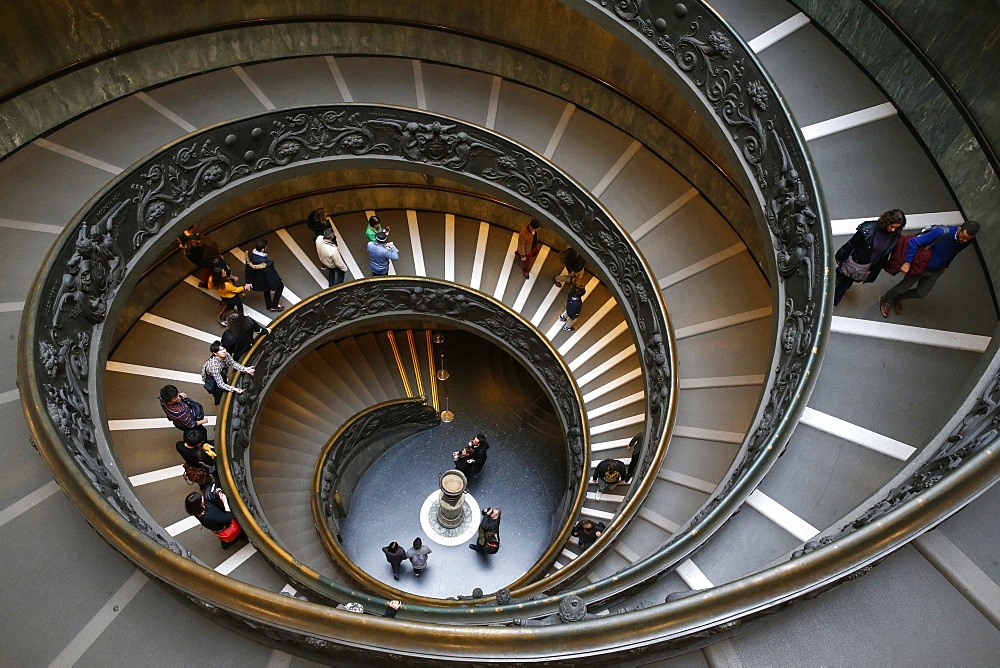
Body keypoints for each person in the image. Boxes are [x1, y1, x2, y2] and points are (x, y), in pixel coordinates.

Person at [880, 220, 980, 317]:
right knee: (903, 287)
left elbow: (954, 252)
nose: (964, 241)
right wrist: (907, 263)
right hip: (920, 266)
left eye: (967, 239)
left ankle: (898, 298)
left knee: (922, 293)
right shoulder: (941, 232)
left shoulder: (968, 240)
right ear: (960, 229)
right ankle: (886, 299)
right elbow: (914, 243)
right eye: (963, 237)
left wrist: (946, 265)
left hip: (937, 270)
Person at [833, 209, 905, 306]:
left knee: (848, 278)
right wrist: (841, 255)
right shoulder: (867, 229)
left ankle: (839, 272)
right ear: (887, 221)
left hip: (870, 264)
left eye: (896, 228)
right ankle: (835, 301)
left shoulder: (895, 234)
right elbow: (852, 243)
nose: (893, 230)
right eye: (892, 226)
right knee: (846, 283)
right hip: (858, 262)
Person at [202, 341, 255, 405]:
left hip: (221, 372)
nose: (224, 351)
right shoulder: (213, 366)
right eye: (220, 350)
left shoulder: (226, 354)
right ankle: (219, 402)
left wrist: (245, 369)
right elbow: (220, 384)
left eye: (223, 348)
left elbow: (233, 363)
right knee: (218, 393)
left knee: (224, 383)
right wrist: (234, 389)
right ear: (215, 353)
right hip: (212, 378)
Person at [245, 238, 285, 312]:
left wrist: (248, 281)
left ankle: (269, 304)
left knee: (266, 290)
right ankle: (274, 305)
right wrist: (274, 286)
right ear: (263, 249)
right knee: (280, 286)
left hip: (259, 279)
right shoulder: (265, 263)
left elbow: (247, 269)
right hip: (265, 279)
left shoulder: (250, 255)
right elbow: (269, 276)